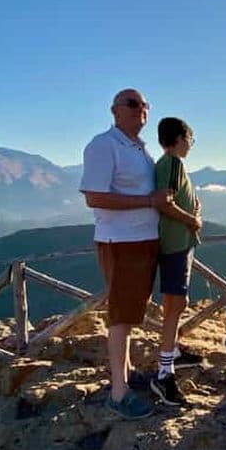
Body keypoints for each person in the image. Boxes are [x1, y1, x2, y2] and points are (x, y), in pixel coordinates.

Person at [79, 88, 172, 420]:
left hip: (142, 240)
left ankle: (127, 373)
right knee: (120, 316)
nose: (141, 110)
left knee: (130, 312)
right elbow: (94, 197)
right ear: (114, 110)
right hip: (120, 242)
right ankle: (118, 393)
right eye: (132, 104)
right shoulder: (104, 145)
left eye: (145, 105)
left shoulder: (137, 148)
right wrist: (150, 202)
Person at [150, 117, 204, 406]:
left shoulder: (170, 164)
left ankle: (173, 355)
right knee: (174, 305)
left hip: (176, 244)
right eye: (190, 140)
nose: (190, 146)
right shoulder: (172, 163)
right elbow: (163, 201)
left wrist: (193, 209)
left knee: (177, 304)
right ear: (180, 139)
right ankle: (164, 374)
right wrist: (192, 220)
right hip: (175, 245)